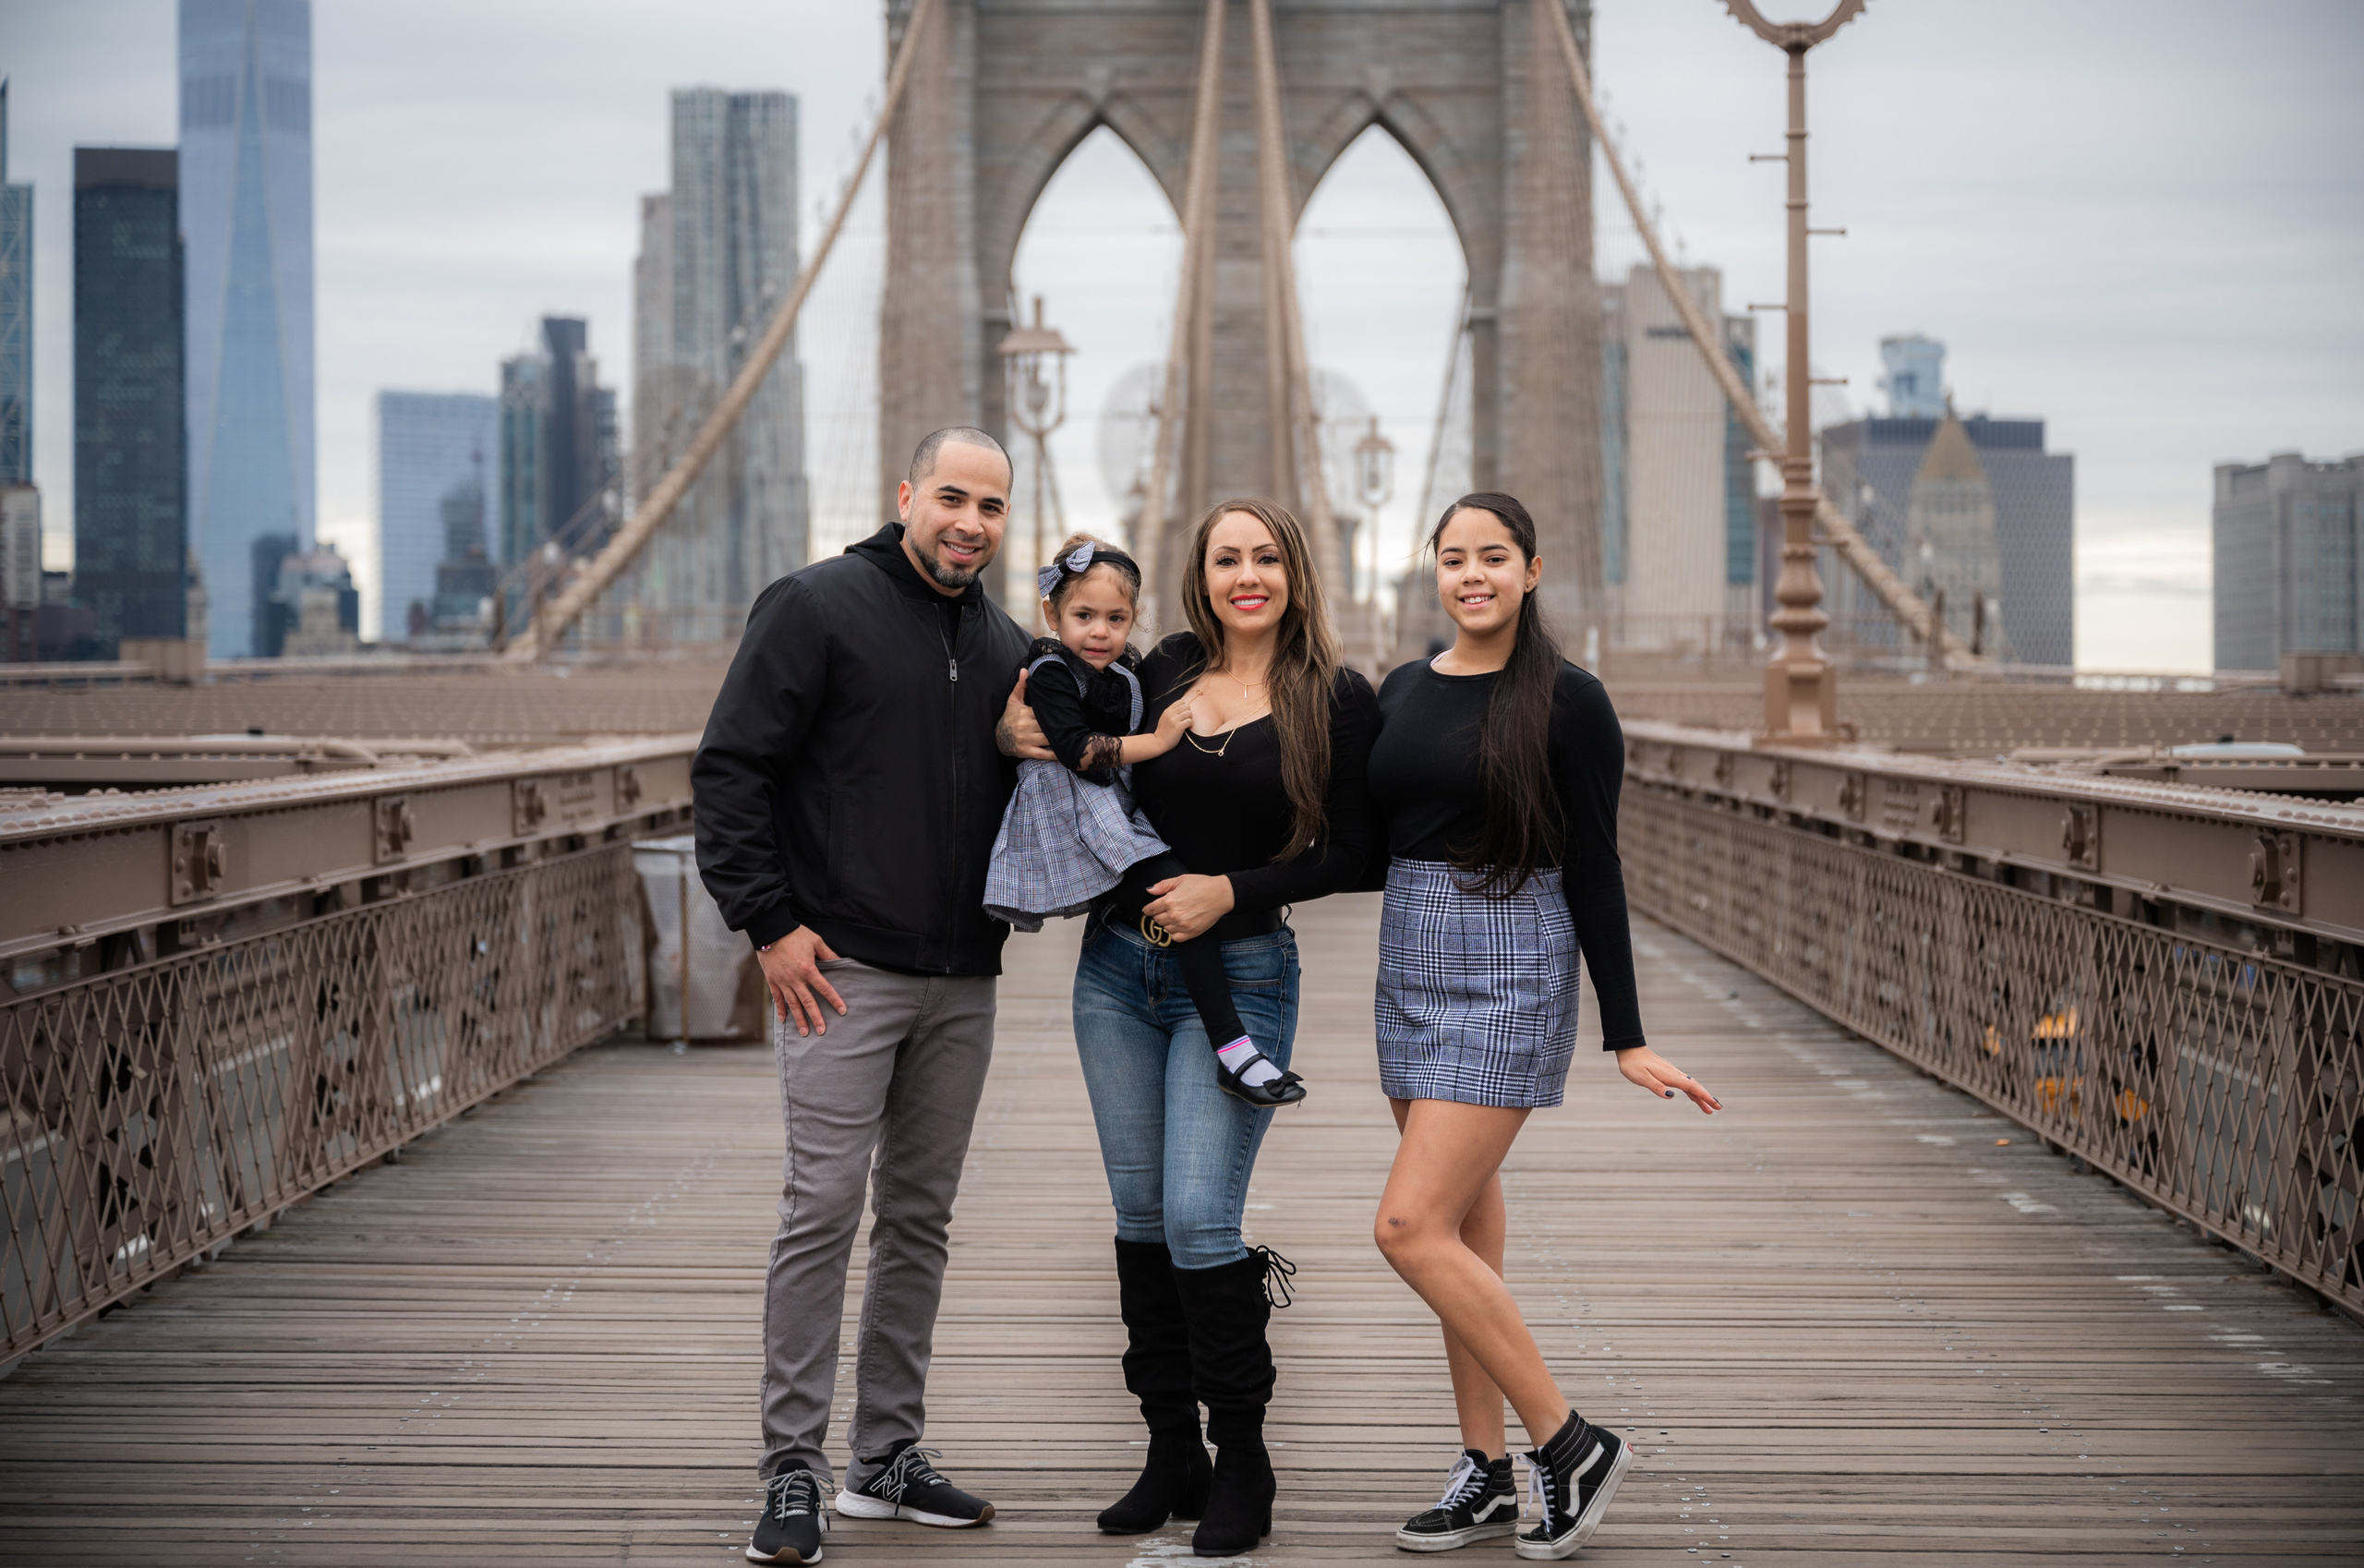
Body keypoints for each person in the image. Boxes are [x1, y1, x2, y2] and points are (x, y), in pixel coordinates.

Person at [999, 497, 1380, 1557]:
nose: (1245, 575)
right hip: (1118, 972)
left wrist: (1230, 888)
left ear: (1295, 571)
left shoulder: (1334, 698)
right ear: (1199, 576)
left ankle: (1244, 1458)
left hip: (1247, 970)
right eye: (1225, 558)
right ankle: (1172, 1450)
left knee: (1201, 1220)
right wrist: (1009, 723)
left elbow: (1352, 852)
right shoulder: (1156, 666)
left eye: (1265, 557)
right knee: (1138, 1219)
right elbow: (1051, 692)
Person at [694, 428, 1032, 1566]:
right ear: (906, 496)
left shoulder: (1008, 646)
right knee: (824, 1207)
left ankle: (887, 1457)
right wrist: (770, 926)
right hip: (840, 973)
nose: (969, 522)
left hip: (962, 979)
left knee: (920, 1221)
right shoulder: (815, 605)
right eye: (950, 497)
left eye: (989, 505)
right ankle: (793, 1466)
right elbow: (730, 770)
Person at [1365, 493, 1721, 1561]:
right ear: (1434, 571)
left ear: (1530, 570)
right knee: (1461, 1229)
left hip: (1513, 958)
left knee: (1406, 1227)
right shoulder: (1398, 690)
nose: (1471, 574)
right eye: (1452, 557)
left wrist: (1626, 1033)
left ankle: (1567, 1443)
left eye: (1493, 557)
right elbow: (1358, 837)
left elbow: (1599, 869)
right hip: (1407, 958)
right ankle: (1483, 1471)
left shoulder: (1570, 701)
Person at [982, 532, 1307, 1108]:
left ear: (1135, 619)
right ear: (1051, 613)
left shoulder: (1131, 668)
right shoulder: (1053, 671)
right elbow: (1080, 752)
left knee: (1181, 899)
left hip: (1115, 816)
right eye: (1082, 616)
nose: (1099, 632)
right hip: (1078, 820)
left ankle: (1233, 1052)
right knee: (1179, 895)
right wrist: (1157, 742)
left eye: (1117, 618)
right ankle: (1235, 1052)